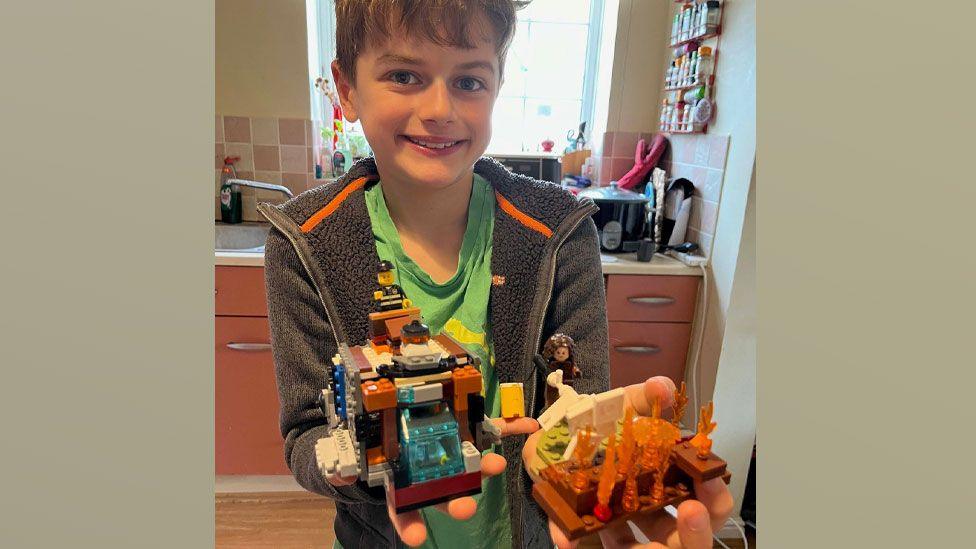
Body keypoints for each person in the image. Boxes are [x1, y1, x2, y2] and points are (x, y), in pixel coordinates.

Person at [258, 1, 733, 548]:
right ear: (346, 88)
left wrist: (577, 448)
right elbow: (306, 434)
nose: (439, 109)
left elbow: (573, 400)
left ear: (498, 85)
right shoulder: (304, 241)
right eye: (403, 76)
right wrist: (378, 468)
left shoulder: (558, 231)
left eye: (468, 80)